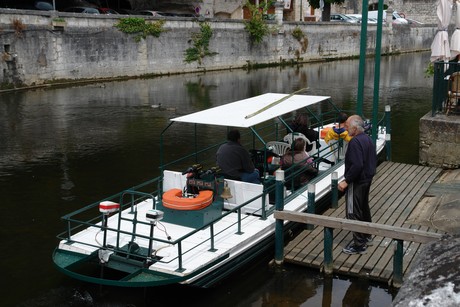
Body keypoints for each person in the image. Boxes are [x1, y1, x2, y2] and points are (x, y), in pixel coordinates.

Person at [338, 115, 377, 255]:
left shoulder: (355, 142)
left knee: (353, 211)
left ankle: (359, 245)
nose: (345, 128)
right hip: (367, 179)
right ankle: (367, 236)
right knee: (363, 207)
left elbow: (357, 165)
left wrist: (346, 181)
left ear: (354, 128)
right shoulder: (367, 139)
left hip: (357, 181)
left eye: (347, 126)